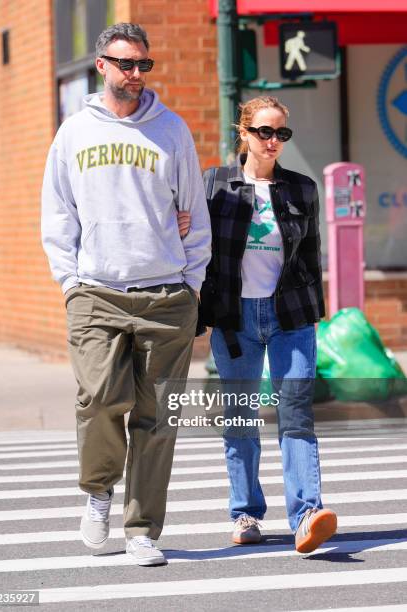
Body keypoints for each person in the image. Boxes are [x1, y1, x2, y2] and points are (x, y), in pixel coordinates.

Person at [41, 22, 211, 566]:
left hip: (166, 295)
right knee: (99, 399)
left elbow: (195, 214)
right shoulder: (73, 133)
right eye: (125, 64)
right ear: (102, 65)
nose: (135, 74)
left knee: (158, 418)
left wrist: (193, 282)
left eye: (143, 64)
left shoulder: (172, 130)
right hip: (96, 292)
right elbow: (58, 214)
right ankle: (98, 489)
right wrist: (69, 283)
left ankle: (143, 530)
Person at [198, 95, 337, 553]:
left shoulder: (301, 188)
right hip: (236, 319)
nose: (273, 140)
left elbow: (310, 258)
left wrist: (314, 313)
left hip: (289, 319)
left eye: (281, 133)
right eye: (264, 131)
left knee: (295, 415)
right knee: (240, 415)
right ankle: (245, 513)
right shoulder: (215, 184)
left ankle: (307, 516)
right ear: (243, 133)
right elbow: (198, 246)